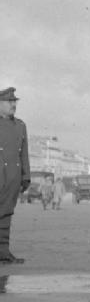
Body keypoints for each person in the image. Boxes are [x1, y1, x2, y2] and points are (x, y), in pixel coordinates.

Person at [0, 87, 30, 264]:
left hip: (12, 177)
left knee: (6, 215)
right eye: (9, 102)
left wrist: (25, 176)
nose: (13, 105)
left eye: (14, 102)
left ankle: (3, 253)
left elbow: (23, 153)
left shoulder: (20, 125)